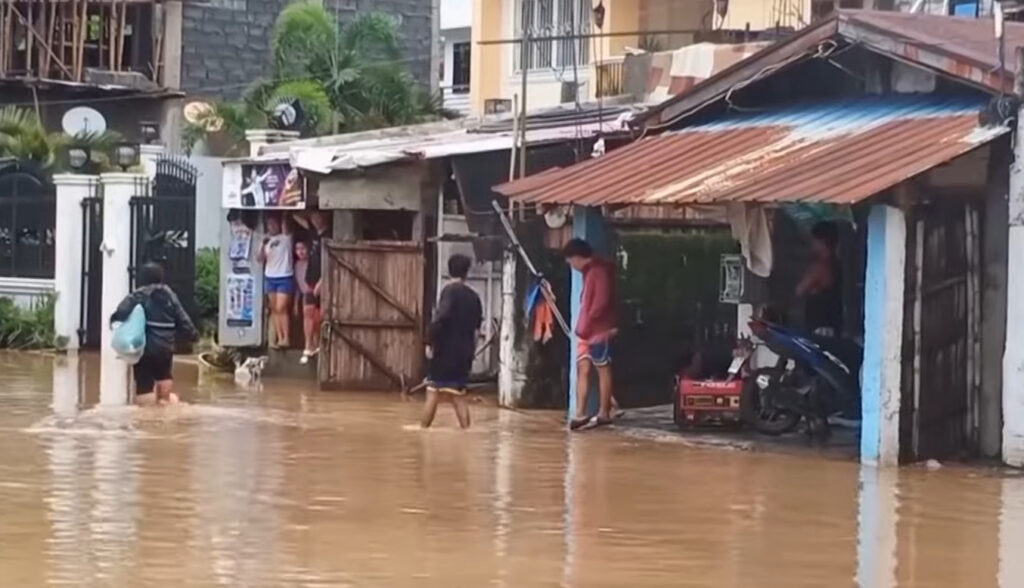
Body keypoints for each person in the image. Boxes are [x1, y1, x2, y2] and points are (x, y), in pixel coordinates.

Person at [110, 262, 199, 405]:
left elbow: (121, 311)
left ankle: (145, 421)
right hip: (165, 347)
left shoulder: (139, 294)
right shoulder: (170, 295)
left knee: (143, 387)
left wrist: (114, 320)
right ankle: (164, 407)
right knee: (164, 376)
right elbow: (183, 318)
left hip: (145, 347)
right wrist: (193, 334)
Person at [422, 254, 483, 429]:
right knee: (459, 395)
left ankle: (422, 432)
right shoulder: (474, 297)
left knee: (433, 393)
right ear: (467, 273)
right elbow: (477, 330)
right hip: (464, 354)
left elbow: (441, 319)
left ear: (449, 270)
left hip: (444, 353)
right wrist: (471, 352)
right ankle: (466, 431)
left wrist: (429, 341)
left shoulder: (449, 292)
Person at [563, 238, 618, 431]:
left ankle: (604, 412)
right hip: (588, 330)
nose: (572, 267)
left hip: (597, 331)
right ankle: (580, 413)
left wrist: (589, 321)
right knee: (583, 369)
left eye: (571, 263)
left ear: (577, 258)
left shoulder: (598, 272)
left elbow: (600, 303)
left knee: (603, 369)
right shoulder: (592, 272)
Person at [796, 221, 842, 338]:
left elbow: (800, 290)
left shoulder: (820, 266)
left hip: (820, 326)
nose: (812, 243)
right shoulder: (835, 263)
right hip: (832, 323)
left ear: (822, 241)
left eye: (814, 240)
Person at [258, 213, 294, 348]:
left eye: (274, 223)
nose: (272, 226)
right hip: (270, 276)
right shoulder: (267, 242)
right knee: (274, 309)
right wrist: (262, 244)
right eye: (269, 224)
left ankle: (286, 337)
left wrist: (284, 212)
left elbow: (286, 222)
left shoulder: (286, 237)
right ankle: (279, 338)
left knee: (281, 308)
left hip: (284, 276)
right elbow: (259, 258)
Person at [299, 210, 330, 364]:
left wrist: (322, 280)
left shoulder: (329, 235)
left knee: (319, 316)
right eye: (313, 218)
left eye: (318, 217)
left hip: (323, 280)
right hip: (310, 279)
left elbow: (331, 261)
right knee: (307, 312)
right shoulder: (312, 233)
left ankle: (318, 344)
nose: (316, 220)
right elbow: (296, 216)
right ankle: (308, 346)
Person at [293, 239, 319, 361]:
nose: (300, 252)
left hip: (315, 290)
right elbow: (298, 286)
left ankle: (315, 344)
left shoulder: (313, 262)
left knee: (316, 319)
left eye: (303, 248)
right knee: (307, 319)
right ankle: (308, 345)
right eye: (297, 249)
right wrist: (295, 303)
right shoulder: (297, 265)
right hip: (305, 294)